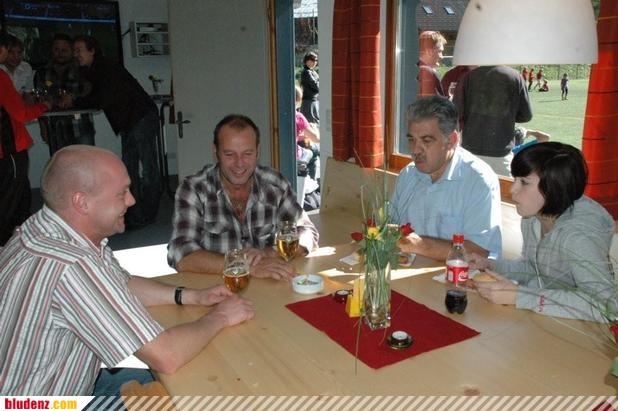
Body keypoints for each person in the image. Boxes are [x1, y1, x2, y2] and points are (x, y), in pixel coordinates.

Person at [0, 145, 255, 395]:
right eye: (121, 193)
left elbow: (122, 284)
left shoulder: (46, 228)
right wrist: (220, 316)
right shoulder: (73, 264)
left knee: (185, 381)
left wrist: (190, 296)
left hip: (57, 384)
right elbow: (166, 356)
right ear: (81, 202)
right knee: (197, 391)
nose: (131, 200)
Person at [468, 143, 616, 322]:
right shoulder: (534, 218)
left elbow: (606, 306)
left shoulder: (578, 238)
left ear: (554, 188)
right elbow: (533, 268)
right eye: (515, 179)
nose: (512, 189)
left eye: (524, 182)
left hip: (580, 329)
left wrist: (521, 296)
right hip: (546, 319)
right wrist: (491, 266)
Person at [168, 114, 319, 280]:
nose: (239, 163)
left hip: (267, 284)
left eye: (247, 153)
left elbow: (307, 232)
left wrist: (267, 254)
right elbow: (180, 254)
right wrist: (243, 264)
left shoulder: (275, 184)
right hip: (215, 287)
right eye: (229, 154)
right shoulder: (194, 189)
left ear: (257, 152)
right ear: (215, 151)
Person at [390, 96, 502, 261]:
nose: (415, 150)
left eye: (426, 141)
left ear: (451, 140)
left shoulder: (478, 180)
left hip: (459, 274)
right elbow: (390, 227)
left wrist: (419, 244)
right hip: (408, 272)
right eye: (411, 140)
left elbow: (478, 251)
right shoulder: (408, 174)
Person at [67, 35, 161, 230]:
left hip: (140, 117)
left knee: (147, 168)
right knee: (131, 169)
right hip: (131, 120)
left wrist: (73, 102)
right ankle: (137, 215)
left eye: (79, 50)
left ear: (92, 50)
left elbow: (101, 99)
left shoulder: (105, 68)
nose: (75, 54)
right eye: (74, 51)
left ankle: (147, 215)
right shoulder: (95, 69)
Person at [0, 34, 50, 246]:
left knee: (19, 195)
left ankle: (20, 242)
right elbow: (21, 114)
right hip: (8, 148)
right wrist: (45, 106)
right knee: (8, 200)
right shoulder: (1, 77)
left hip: (7, 149)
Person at [454, 65, 533, 176]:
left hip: (470, 149)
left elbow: (456, 111)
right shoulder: (515, 76)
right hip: (501, 149)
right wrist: (506, 117)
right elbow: (526, 115)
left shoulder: (470, 76)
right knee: (503, 186)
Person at [34, 33, 95, 156]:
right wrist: (43, 127)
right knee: (60, 164)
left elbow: (92, 95)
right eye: (56, 50)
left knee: (86, 162)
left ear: (72, 51)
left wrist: (73, 99)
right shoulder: (42, 73)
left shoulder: (83, 70)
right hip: (54, 128)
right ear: (51, 50)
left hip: (81, 126)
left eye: (64, 50)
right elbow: (39, 101)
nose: (60, 53)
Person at [417, 31, 446, 98]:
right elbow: (435, 103)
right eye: (440, 51)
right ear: (429, 51)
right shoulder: (428, 73)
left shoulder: (410, 70)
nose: (442, 56)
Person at [300, 51, 319, 123]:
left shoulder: (312, 72)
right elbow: (316, 86)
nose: (315, 62)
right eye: (312, 60)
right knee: (311, 122)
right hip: (309, 102)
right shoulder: (306, 72)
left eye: (316, 60)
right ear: (307, 61)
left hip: (313, 101)